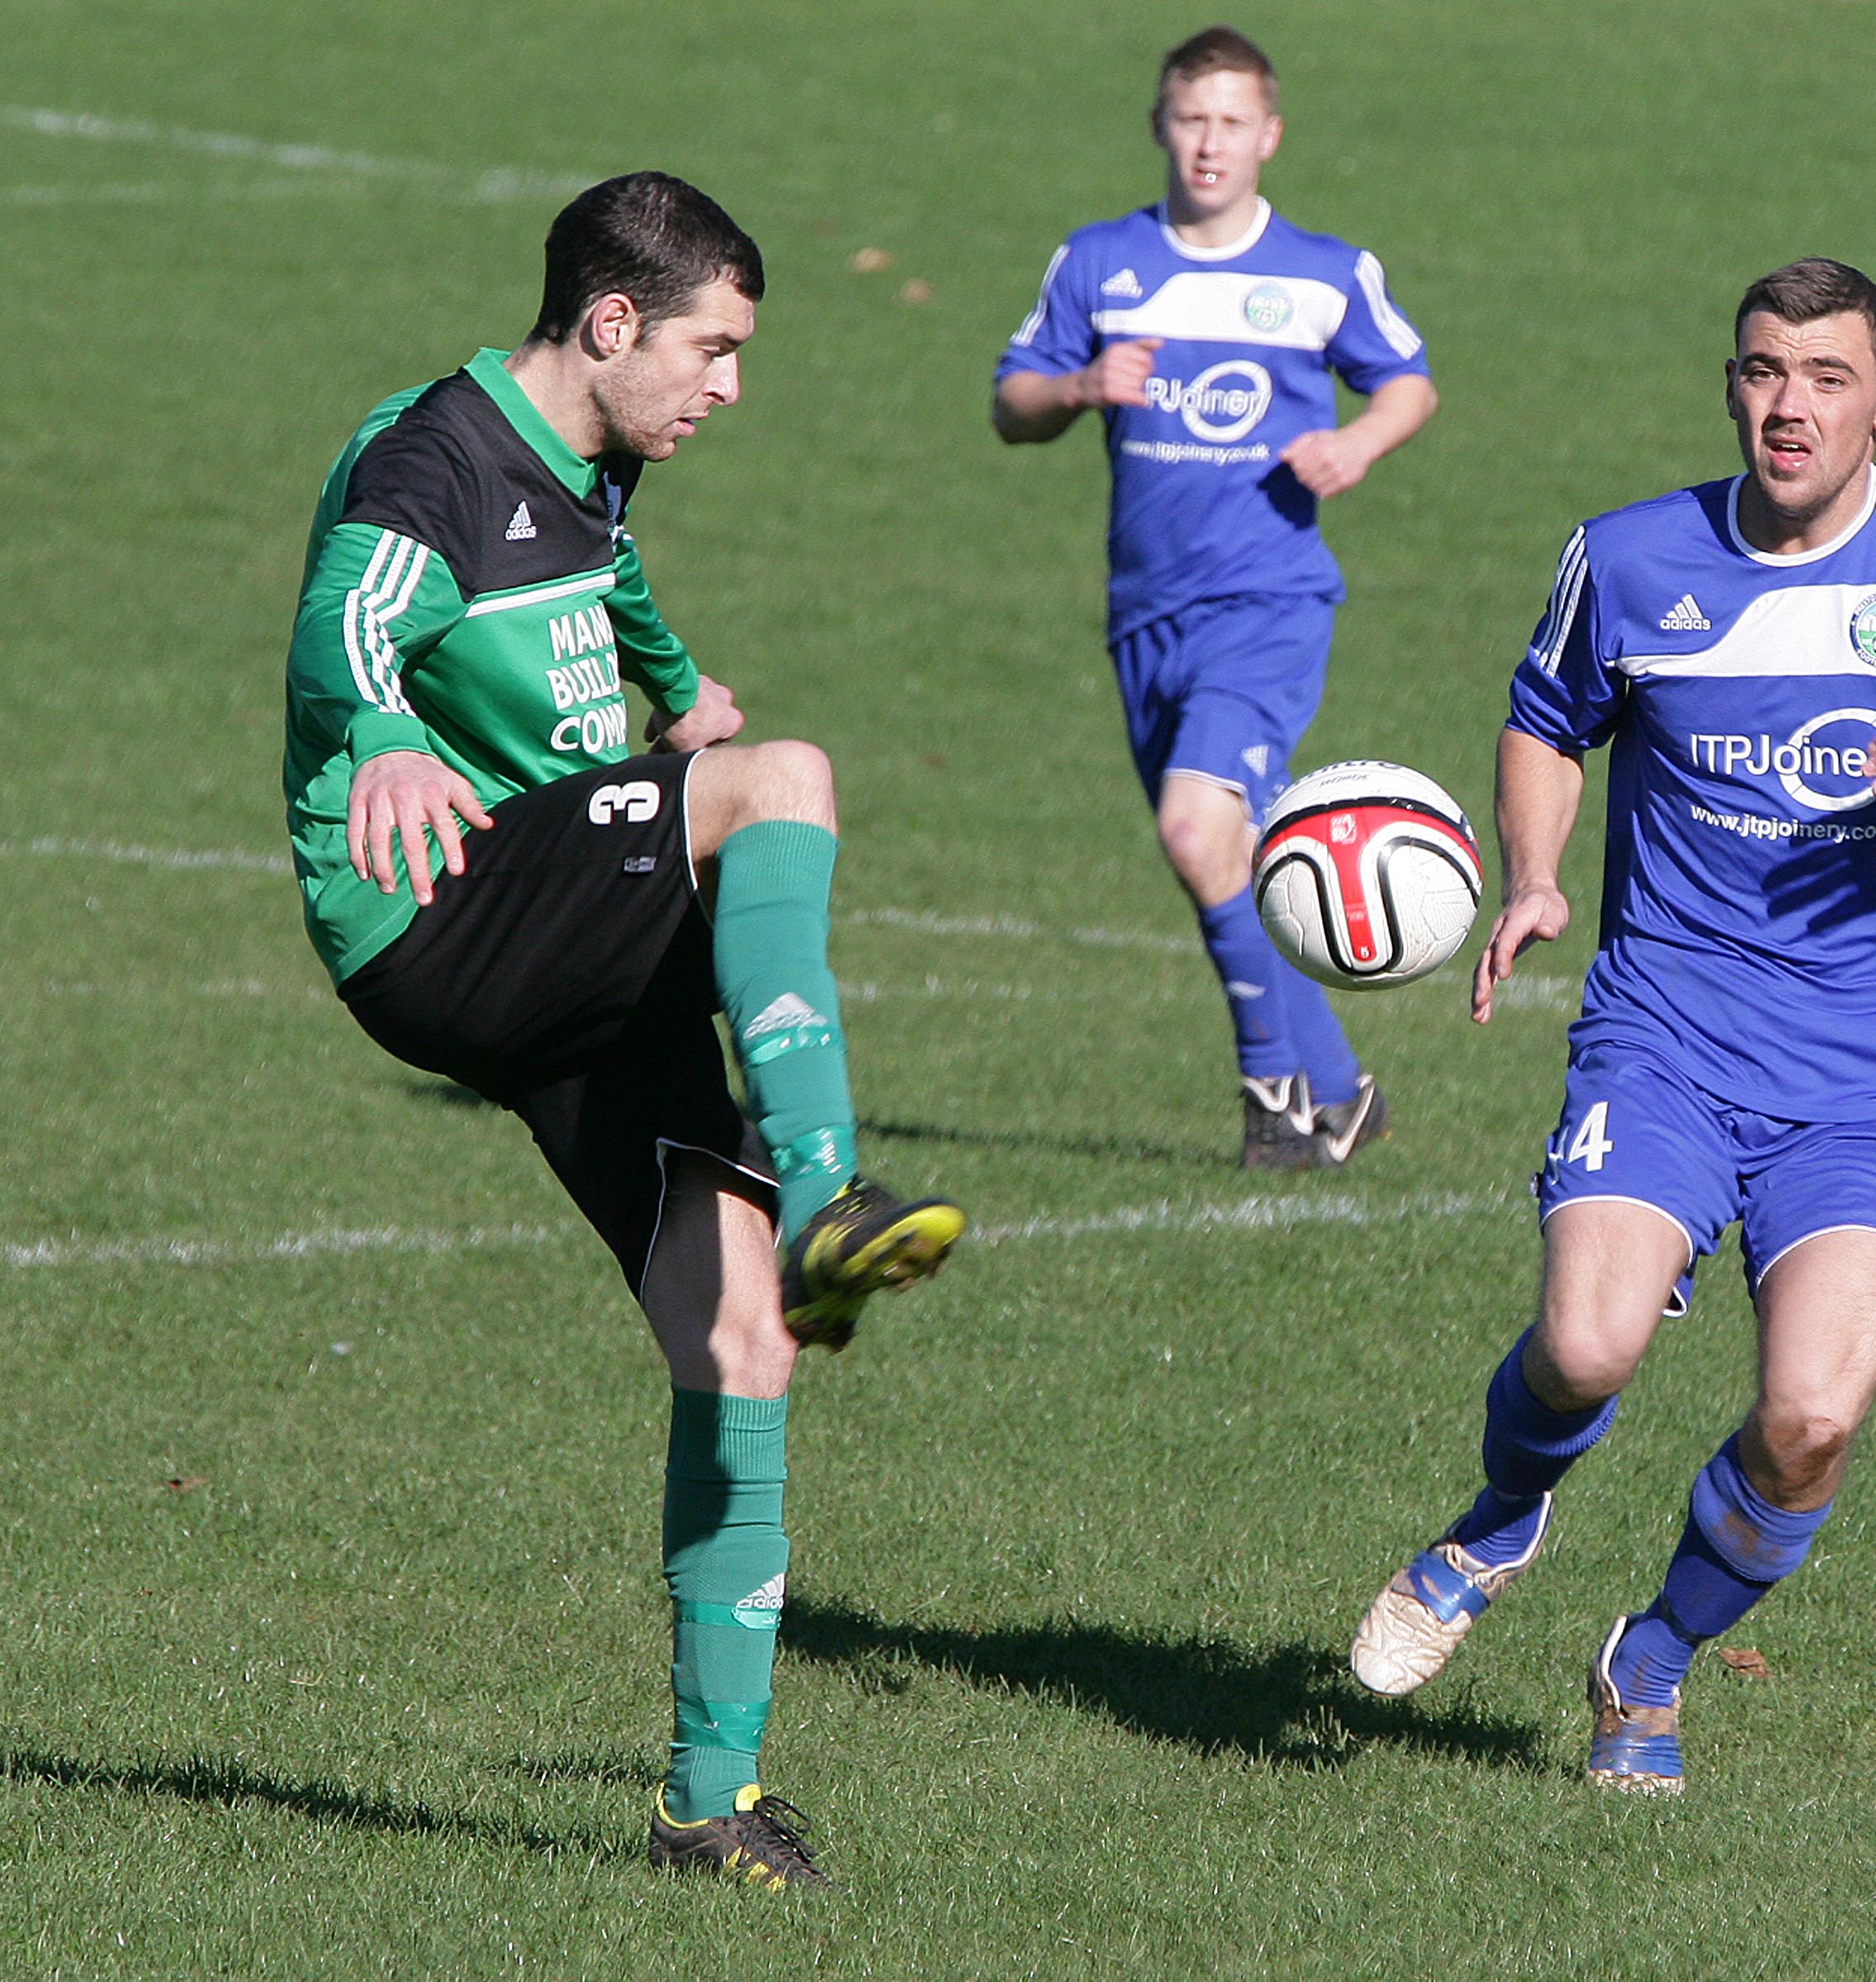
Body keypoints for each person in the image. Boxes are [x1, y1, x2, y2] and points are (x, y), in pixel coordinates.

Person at [1348, 259, 1876, 1794]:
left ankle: (1650, 1661)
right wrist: (1538, 877)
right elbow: (1550, 721)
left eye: (1825, 377)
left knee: (1809, 1418)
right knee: (1586, 1339)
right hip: (1664, 1035)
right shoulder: (1626, 560)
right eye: (1762, 372)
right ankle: (1495, 1526)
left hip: (1871, 1090)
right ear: (1731, 386)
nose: (1788, 405)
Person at [281, 172, 965, 1888]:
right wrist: (379, 738)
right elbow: (342, 626)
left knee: (740, 1347)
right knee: (784, 783)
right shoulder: (432, 457)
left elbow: (612, 585)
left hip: (561, 937)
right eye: (712, 348)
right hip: (436, 907)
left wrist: (675, 686)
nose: (727, 383)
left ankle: (706, 1805)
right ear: (609, 323)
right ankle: (833, 1192)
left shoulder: (597, 462)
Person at [992, 25, 1438, 1169]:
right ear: (1160, 126)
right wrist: (1084, 385)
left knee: (1197, 833)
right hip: (1145, 613)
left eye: (1233, 123)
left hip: (1270, 602)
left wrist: (1360, 447)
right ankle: (1344, 1097)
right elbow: (1012, 402)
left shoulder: (1322, 273)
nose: (1210, 144)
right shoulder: (1099, 263)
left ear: (1270, 137)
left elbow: (1408, 382)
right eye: (1192, 119)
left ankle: (1277, 1101)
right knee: (1222, 861)